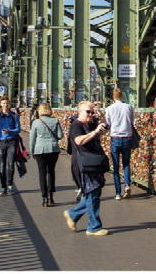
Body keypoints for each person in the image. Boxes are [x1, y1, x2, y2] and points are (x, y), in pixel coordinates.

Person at [63, 100, 109, 236]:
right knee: (92, 193)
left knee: (93, 193)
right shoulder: (76, 125)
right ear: (80, 112)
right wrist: (94, 132)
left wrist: (101, 117)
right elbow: (79, 141)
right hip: (84, 165)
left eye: (92, 112)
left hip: (94, 163)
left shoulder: (91, 123)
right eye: (88, 112)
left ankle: (72, 214)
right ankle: (94, 226)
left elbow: (106, 128)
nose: (90, 115)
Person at [29, 102, 64, 207]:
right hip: (53, 149)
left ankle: (44, 197)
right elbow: (60, 135)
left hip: (40, 150)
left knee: (42, 173)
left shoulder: (36, 122)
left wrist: (32, 152)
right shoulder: (55, 121)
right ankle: (50, 195)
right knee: (51, 171)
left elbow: (32, 139)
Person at [105, 87, 135, 200]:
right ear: (122, 96)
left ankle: (118, 193)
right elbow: (132, 121)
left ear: (113, 97)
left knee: (116, 167)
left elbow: (108, 124)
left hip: (115, 138)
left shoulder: (109, 108)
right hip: (127, 138)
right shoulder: (129, 107)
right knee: (126, 163)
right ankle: (127, 184)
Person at [0, 96, 20, 195]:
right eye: (3, 103)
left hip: (12, 141)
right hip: (1, 142)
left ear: (9, 104)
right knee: (2, 166)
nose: (5, 105)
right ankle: (3, 186)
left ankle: (10, 185)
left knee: (11, 164)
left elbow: (18, 129)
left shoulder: (14, 116)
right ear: (0, 104)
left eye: (7, 103)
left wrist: (9, 131)